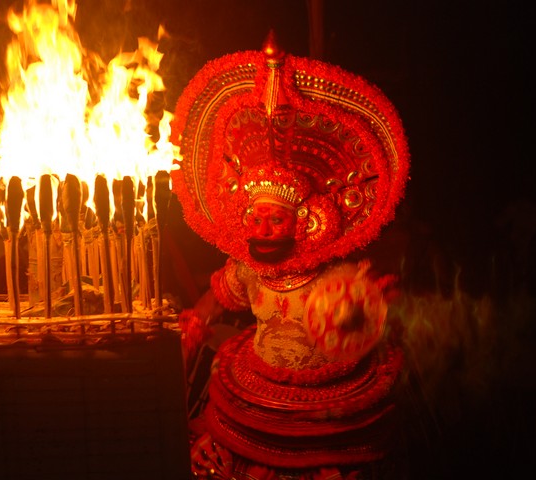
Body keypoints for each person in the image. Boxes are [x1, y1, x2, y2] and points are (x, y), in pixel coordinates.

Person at [171, 31, 410, 479]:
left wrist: (374, 302)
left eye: (276, 221)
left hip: (323, 406)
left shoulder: (329, 272)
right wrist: (196, 322)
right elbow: (219, 296)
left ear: (303, 221)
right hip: (257, 394)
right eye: (256, 219)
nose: (263, 229)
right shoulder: (249, 268)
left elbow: (363, 313)